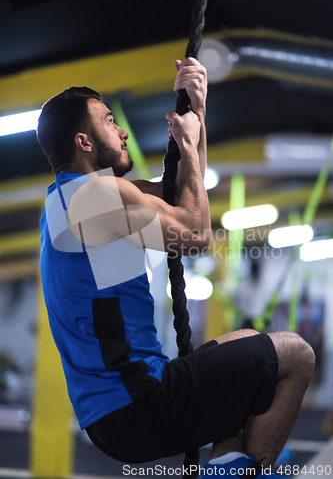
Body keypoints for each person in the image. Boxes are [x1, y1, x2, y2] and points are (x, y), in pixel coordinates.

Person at [37, 58, 315, 478]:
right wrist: (185, 144)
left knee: (246, 344)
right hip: (136, 405)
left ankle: (226, 467)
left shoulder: (71, 200)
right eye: (109, 121)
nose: (122, 130)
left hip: (118, 411)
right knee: (297, 354)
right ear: (84, 142)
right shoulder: (92, 200)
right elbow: (197, 233)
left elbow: (184, 191)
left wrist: (198, 112)